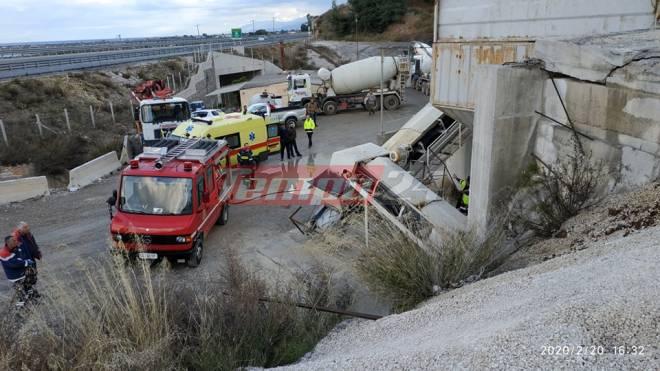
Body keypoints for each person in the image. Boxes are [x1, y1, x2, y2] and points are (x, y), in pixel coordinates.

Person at [1, 236, 37, 305]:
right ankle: (20, 309)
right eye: (13, 241)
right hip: (15, 276)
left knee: (28, 285)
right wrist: (26, 262)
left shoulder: (15, 247)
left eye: (15, 240)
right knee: (21, 295)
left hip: (21, 272)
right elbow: (13, 263)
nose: (16, 241)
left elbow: (21, 256)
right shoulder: (4, 253)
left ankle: (31, 297)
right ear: (8, 243)